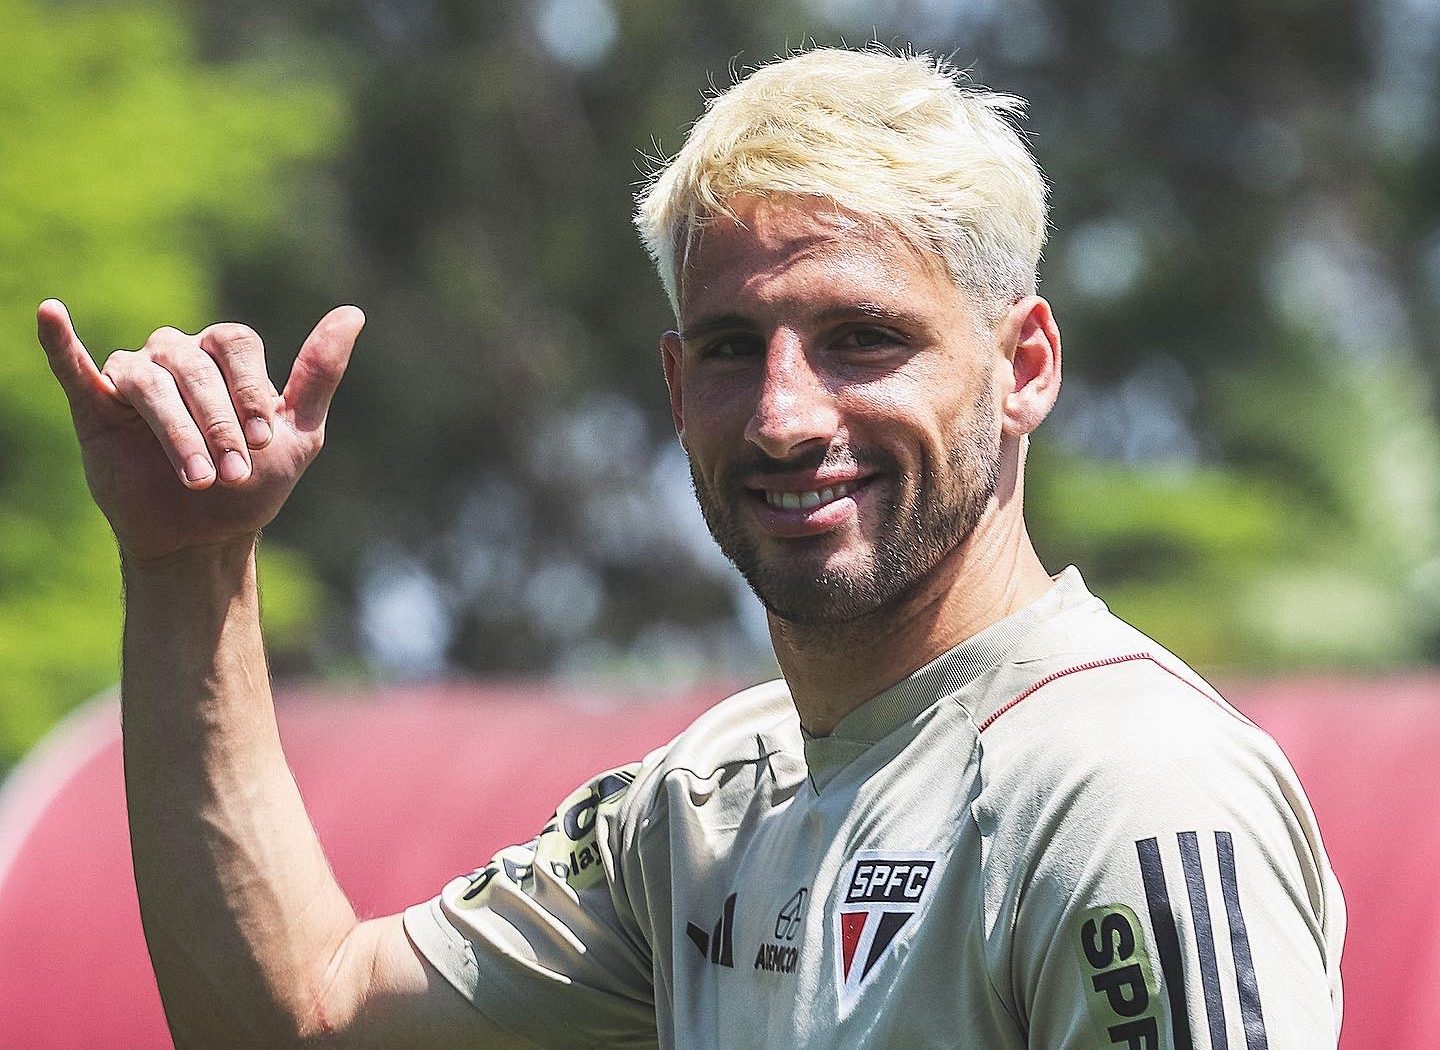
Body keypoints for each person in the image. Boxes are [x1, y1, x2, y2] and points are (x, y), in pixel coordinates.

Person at [36, 46, 1343, 1049]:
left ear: (1025, 366)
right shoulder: (707, 802)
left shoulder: (1126, 790)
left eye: (863, 339)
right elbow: (307, 1009)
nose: (784, 415)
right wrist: (186, 569)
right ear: (673, 384)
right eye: (733, 348)